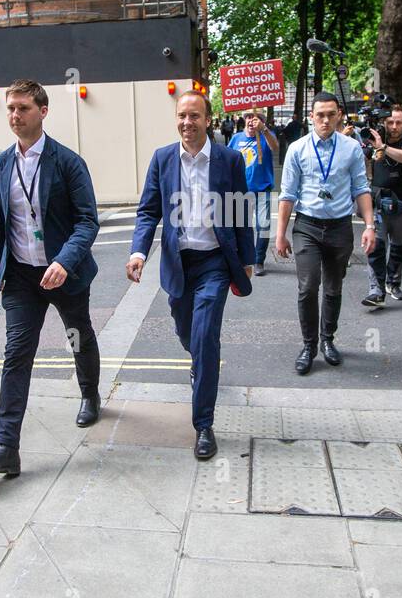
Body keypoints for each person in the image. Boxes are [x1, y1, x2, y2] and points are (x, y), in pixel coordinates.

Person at [0, 80, 102, 476]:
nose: (15, 115)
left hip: (63, 273)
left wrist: (64, 261)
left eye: (23, 108)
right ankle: (5, 446)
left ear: (43, 111)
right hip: (23, 279)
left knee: (78, 336)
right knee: (16, 353)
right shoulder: (2, 164)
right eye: (10, 108)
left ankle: (89, 395)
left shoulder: (67, 162)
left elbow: (87, 220)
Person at [128, 92, 254, 460]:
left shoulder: (229, 160)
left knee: (204, 338)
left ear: (208, 120)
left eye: (194, 116)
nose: (187, 122)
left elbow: (240, 211)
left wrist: (246, 258)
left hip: (215, 261)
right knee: (188, 333)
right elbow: (148, 211)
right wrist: (138, 252)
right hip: (179, 263)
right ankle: (200, 364)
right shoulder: (163, 158)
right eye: (182, 115)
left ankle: (203, 425)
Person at [275, 92, 376, 374]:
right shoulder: (297, 149)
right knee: (308, 287)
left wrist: (369, 226)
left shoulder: (351, 149)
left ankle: (328, 340)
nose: (325, 120)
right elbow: (287, 194)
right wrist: (280, 233)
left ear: (339, 115)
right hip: (307, 227)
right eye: (320, 114)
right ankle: (309, 345)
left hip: (340, 228)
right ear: (311, 116)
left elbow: (361, 188)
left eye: (331, 114)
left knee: (333, 288)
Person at [362, 105, 402, 306]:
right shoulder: (374, 141)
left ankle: (393, 283)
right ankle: (376, 291)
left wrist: (383, 147)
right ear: (384, 123)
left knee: (398, 247)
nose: (394, 126)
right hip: (378, 203)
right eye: (390, 122)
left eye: (399, 122)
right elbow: (359, 160)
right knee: (376, 246)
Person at [228, 110, 280, 275]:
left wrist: (263, 130)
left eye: (256, 118)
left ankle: (258, 260)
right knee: (241, 227)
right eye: (249, 117)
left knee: (263, 226)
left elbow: (275, 147)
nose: (252, 121)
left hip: (262, 189)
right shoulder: (236, 138)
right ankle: (243, 257)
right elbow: (228, 159)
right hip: (240, 191)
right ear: (244, 120)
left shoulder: (266, 136)